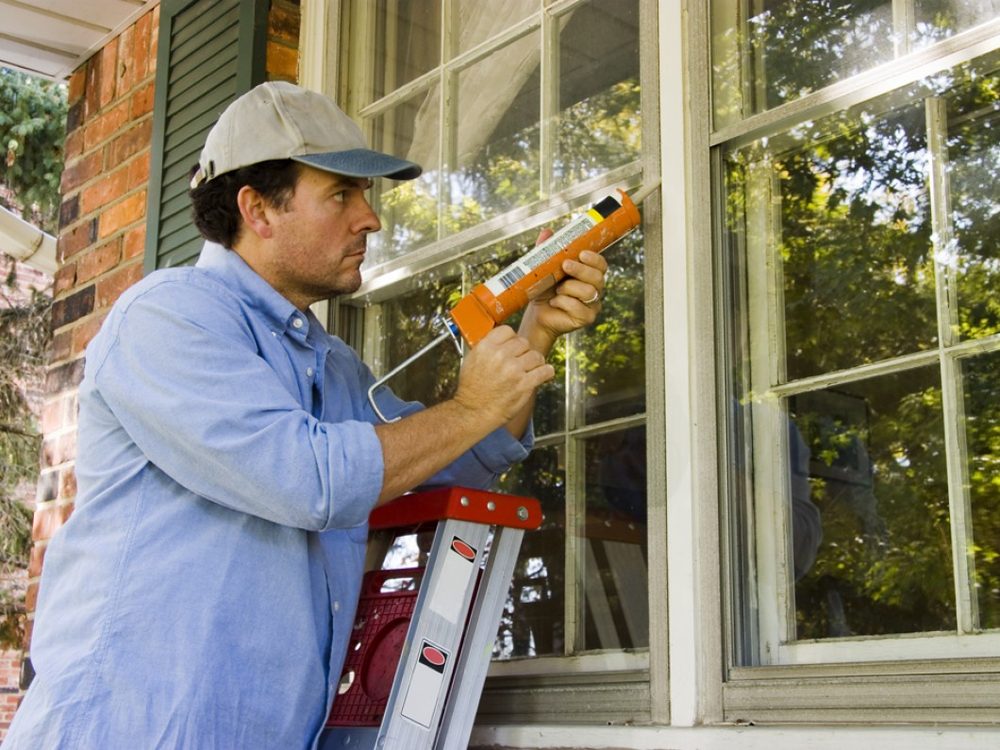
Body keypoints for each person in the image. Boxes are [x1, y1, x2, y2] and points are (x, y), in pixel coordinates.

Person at [5, 82, 608, 749]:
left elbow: (459, 459)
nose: (370, 219)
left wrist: (535, 331)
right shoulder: (168, 316)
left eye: (365, 195)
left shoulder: (332, 364)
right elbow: (309, 478)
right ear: (258, 209)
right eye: (342, 194)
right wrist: (470, 406)